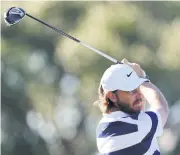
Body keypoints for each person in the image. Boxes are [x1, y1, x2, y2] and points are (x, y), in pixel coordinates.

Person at [95, 59, 169, 155]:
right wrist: (143, 78)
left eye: (138, 88)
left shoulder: (103, 126)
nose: (140, 95)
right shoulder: (135, 126)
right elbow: (161, 108)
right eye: (131, 91)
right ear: (112, 96)